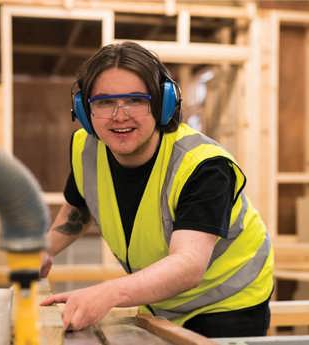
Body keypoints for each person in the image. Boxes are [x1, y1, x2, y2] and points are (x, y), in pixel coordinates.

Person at [40, 41, 274, 338]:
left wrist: (108, 293)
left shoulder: (203, 165)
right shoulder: (87, 149)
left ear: (162, 105)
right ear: (84, 111)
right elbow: (79, 206)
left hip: (228, 302)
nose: (119, 115)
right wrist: (44, 249)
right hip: (160, 302)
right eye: (104, 102)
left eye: (135, 100)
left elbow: (188, 265)